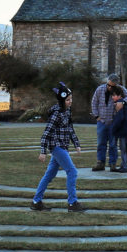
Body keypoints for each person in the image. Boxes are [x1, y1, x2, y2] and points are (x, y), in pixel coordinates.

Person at [31, 81, 85, 212]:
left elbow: (70, 128)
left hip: (63, 146)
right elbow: (46, 133)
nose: (70, 101)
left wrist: (76, 143)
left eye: (71, 99)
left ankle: (36, 201)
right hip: (56, 146)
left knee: (49, 174)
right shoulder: (56, 114)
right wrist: (43, 151)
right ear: (61, 101)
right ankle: (72, 203)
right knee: (72, 171)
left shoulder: (67, 111)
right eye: (67, 100)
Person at [90, 73, 127, 172]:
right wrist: (96, 116)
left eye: (112, 86)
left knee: (113, 144)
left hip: (113, 122)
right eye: (108, 85)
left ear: (116, 85)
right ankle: (100, 163)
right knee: (101, 143)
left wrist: (122, 102)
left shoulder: (120, 89)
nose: (109, 87)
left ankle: (112, 164)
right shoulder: (100, 89)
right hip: (102, 121)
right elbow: (94, 102)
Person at [110, 84, 127, 172]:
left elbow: (120, 118)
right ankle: (124, 165)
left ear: (120, 95)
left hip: (125, 130)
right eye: (112, 95)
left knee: (126, 148)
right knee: (123, 149)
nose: (113, 97)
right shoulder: (119, 103)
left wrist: (114, 129)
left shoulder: (121, 104)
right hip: (122, 130)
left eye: (114, 95)